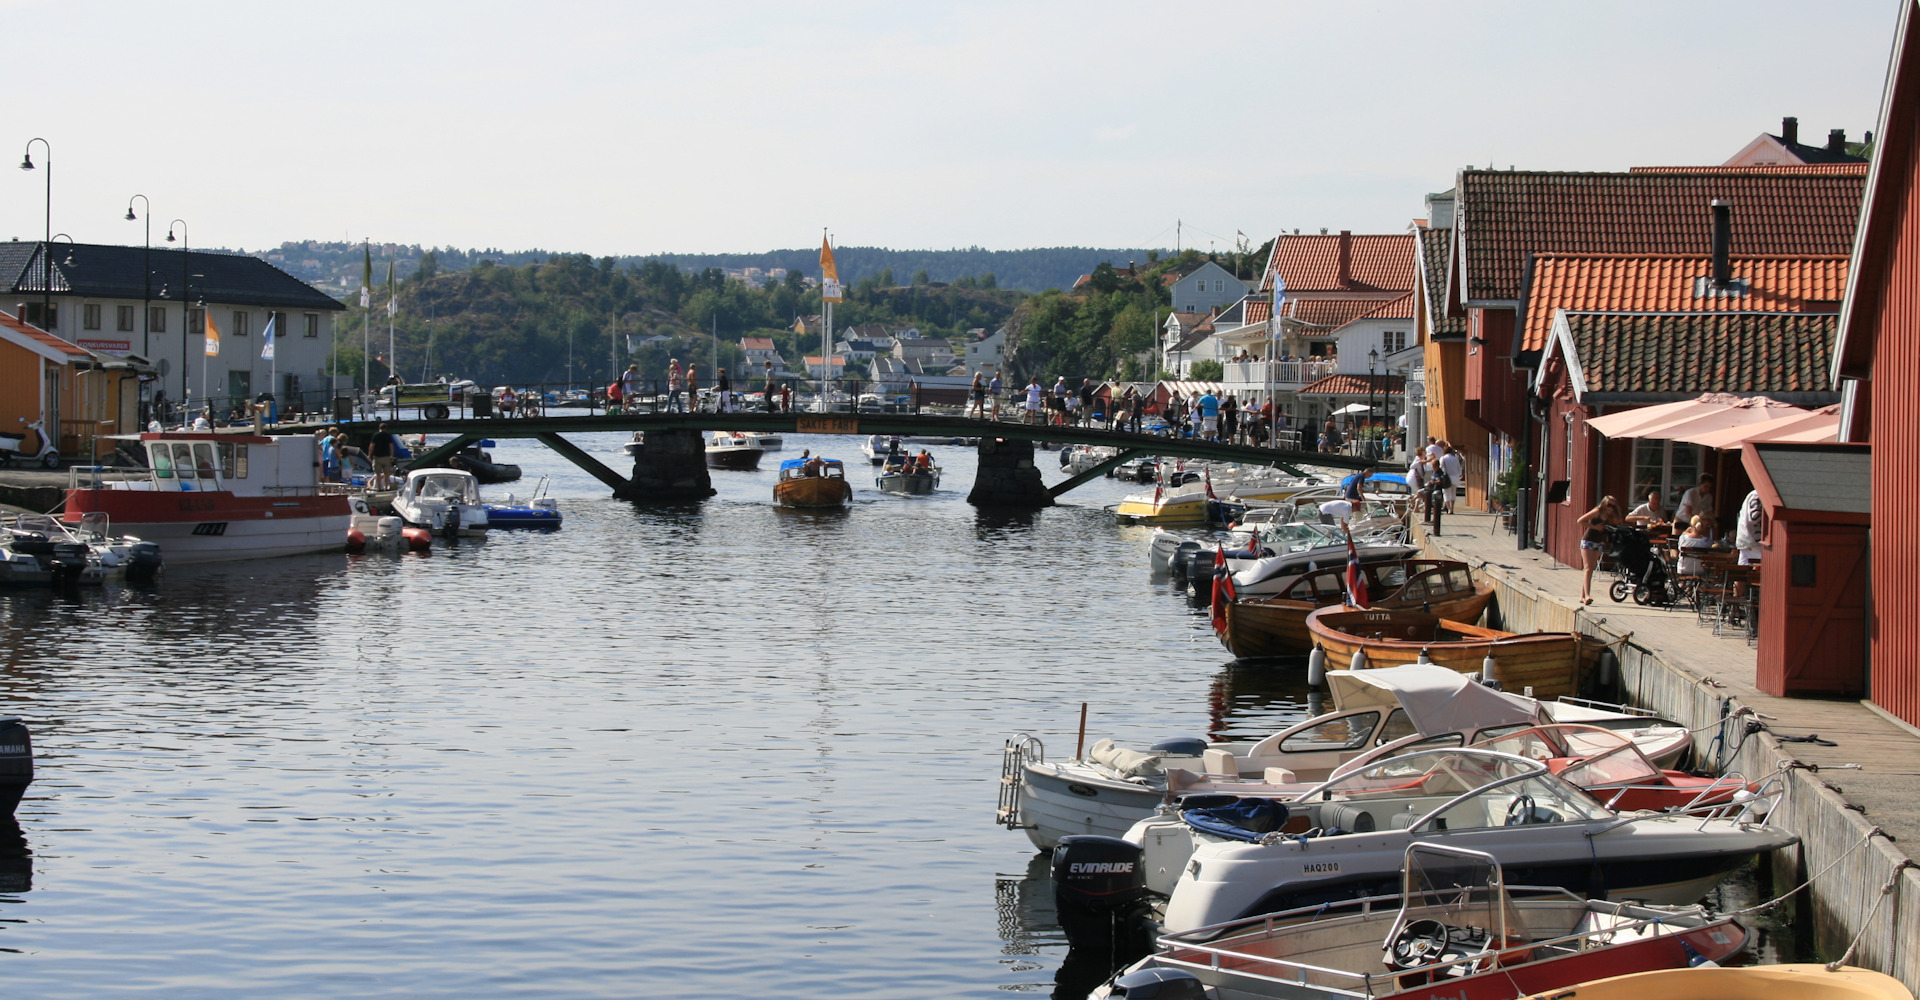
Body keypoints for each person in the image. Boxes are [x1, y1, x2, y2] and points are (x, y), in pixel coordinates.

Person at [1575, 495, 1623, 604]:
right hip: (1588, 540)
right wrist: (1595, 527)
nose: (1610, 508)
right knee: (1587, 568)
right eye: (1609, 505)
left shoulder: (1609, 515)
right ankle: (1587, 595)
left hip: (1599, 542)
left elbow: (1618, 521)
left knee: (1591, 568)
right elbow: (1580, 521)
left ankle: (1582, 596)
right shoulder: (1597, 511)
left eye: (1613, 506)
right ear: (1604, 504)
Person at [1676, 514, 1716, 578]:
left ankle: (1685, 586)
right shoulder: (1705, 542)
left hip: (1683, 569)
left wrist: (1687, 531)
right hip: (1699, 570)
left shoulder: (1683, 538)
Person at [1735, 489, 1764, 565]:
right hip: (1752, 539)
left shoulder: (1755, 494)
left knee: (1743, 569)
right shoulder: (1756, 495)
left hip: (1746, 538)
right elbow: (1754, 517)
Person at [367, 422, 398, 491]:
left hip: (377, 457)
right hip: (386, 456)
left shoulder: (376, 435)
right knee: (387, 473)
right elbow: (391, 446)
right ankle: (386, 487)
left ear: (379, 428)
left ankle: (379, 488)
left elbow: (372, 446)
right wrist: (392, 455)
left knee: (378, 473)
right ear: (386, 429)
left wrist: (369, 455)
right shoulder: (388, 435)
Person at [1439, 445, 1464, 513]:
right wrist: (1460, 475)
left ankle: (1449, 508)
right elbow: (1459, 467)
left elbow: (1441, 468)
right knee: (1453, 493)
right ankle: (1452, 508)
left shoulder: (1443, 458)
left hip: (1447, 478)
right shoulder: (1455, 458)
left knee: (1446, 494)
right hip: (1455, 477)